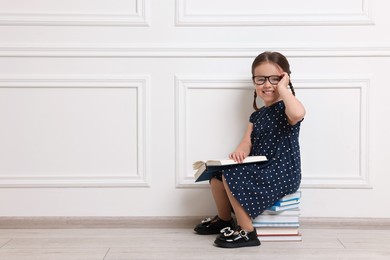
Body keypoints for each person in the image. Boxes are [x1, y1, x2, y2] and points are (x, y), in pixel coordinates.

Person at [194, 51, 306, 248]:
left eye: (275, 79)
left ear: (285, 80)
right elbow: (246, 143)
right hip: (262, 167)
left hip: (282, 171)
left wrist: (284, 87)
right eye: (260, 79)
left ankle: (247, 231)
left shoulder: (287, 109)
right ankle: (224, 220)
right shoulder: (256, 116)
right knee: (217, 177)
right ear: (254, 82)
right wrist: (240, 151)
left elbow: (298, 113)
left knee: (232, 175)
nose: (267, 85)